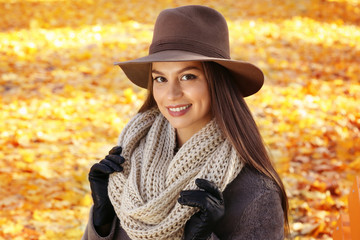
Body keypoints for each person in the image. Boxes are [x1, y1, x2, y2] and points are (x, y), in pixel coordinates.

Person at [82, 5, 289, 240]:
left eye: (187, 76)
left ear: (217, 83)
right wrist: (102, 222)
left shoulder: (256, 193)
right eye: (160, 78)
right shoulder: (129, 169)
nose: (171, 94)